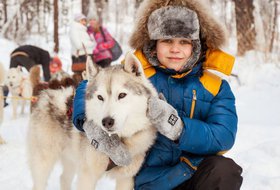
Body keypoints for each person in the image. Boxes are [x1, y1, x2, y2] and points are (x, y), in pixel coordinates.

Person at [72, 0, 243, 189]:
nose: (175, 49)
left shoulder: (213, 84)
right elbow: (91, 85)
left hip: (194, 172)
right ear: (154, 44)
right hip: (150, 180)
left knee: (225, 170)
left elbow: (224, 136)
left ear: (195, 46)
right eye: (167, 41)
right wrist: (85, 120)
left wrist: (179, 128)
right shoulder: (136, 75)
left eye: (184, 42)